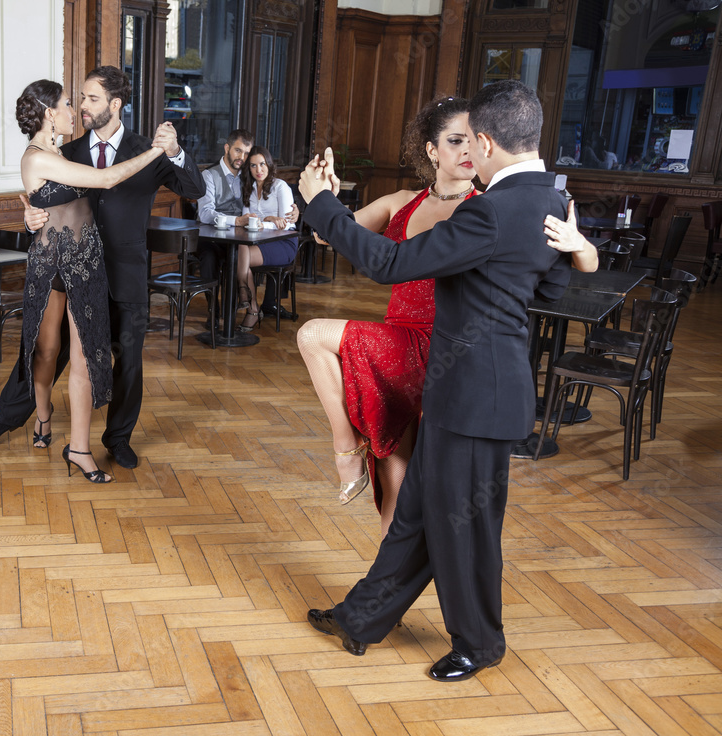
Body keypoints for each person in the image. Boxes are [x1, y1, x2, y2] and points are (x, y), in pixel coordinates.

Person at [299, 80, 579, 682]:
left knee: (467, 528)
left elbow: (388, 263)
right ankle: (361, 618)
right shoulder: (551, 203)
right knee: (418, 516)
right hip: (465, 394)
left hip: (478, 399)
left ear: (483, 141)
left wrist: (318, 201)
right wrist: (579, 248)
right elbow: (551, 291)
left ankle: (480, 644)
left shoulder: (493, 209)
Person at [296, 97, 596, 536]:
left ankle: (345, 448)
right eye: (456, 141)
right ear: (432, 151)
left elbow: (565, 267)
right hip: (397, 344)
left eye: (473, 141)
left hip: (446, 353)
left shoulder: (487, 210)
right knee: (393, 477)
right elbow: (333, 236)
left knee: (313, 334)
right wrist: (329, 197)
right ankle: (380, 592)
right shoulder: (401, 201)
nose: (468, 152)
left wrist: (583, 246)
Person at [0, 66, 207, 470]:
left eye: (91, 99)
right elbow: (48, 200)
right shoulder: (67, 150)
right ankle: (8, 418)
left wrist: (174, 151)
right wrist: (32, 220)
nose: (81, 106)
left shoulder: (145, 147)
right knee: (47, 349)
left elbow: (196, 190)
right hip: (72, 272)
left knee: (127, 360)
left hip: (124, 269)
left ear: (115, 104)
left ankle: (118, 440)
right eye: (78, 98)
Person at [15, 79, 167, 481]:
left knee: (84, 357)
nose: (75, 110)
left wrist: (28, 210)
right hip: (51, 268)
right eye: (68, 103)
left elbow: (36, 201)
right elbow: (104, 180)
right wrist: (155, 150)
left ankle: (80, 449)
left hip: (84, 264)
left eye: (80, 101)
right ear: (50, 113)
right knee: (47, 352)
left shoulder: (57, 152)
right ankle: (43, 416)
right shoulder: (37, 156)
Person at [196, 130, 298, 324]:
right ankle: (215, 309)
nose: (242, 158)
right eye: (238, 151)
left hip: (244, 239)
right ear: (227, 148)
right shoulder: (209, 175)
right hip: (215, 237)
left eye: (246, 154)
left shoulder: (249, 175)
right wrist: (237, 221)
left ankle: (243, 305)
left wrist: (295, 210)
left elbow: (275, 202)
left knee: (238, 252)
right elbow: (205, 213)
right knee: (210, 257)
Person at [233, 145, 298, 331]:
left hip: (284, 242)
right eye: (253, 166)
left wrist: (266, 221)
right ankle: (252, 307)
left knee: (240, 257)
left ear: (269, 164)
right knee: (240, 249)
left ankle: (247, 300)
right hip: (258, 241)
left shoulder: (280, 186)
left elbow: (284, 223)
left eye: (262, 164)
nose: (258, 170)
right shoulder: (249, 189)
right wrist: (265, 221)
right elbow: (247, 220)